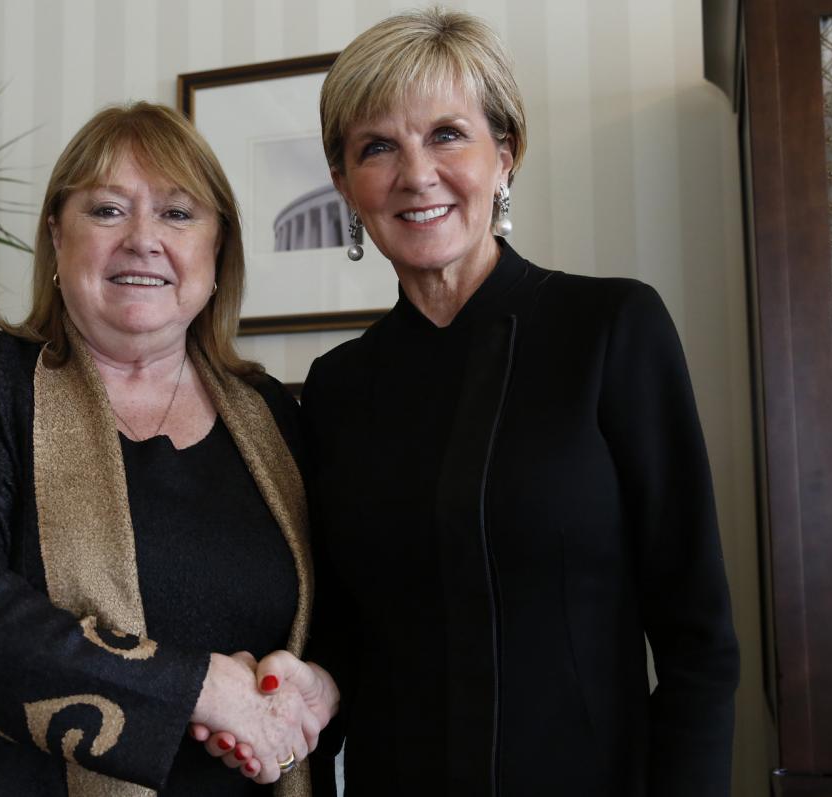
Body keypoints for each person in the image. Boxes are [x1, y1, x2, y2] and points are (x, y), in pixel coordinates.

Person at [295, 9, 740, 796]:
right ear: (344, 185)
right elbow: (341, 638)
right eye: (377, 147)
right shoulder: (335, 389)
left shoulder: (613, 330)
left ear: (505, 156)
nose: (415, 173)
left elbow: (698, 637)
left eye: (446, 135)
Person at [0, 101, 337, 796]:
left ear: (217, 253)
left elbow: (337, 610)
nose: (144, 239)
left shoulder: (273, 413)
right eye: (107, 210)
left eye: (179, 214)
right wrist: (199, 689)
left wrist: (318, 685)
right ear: (56, 235)